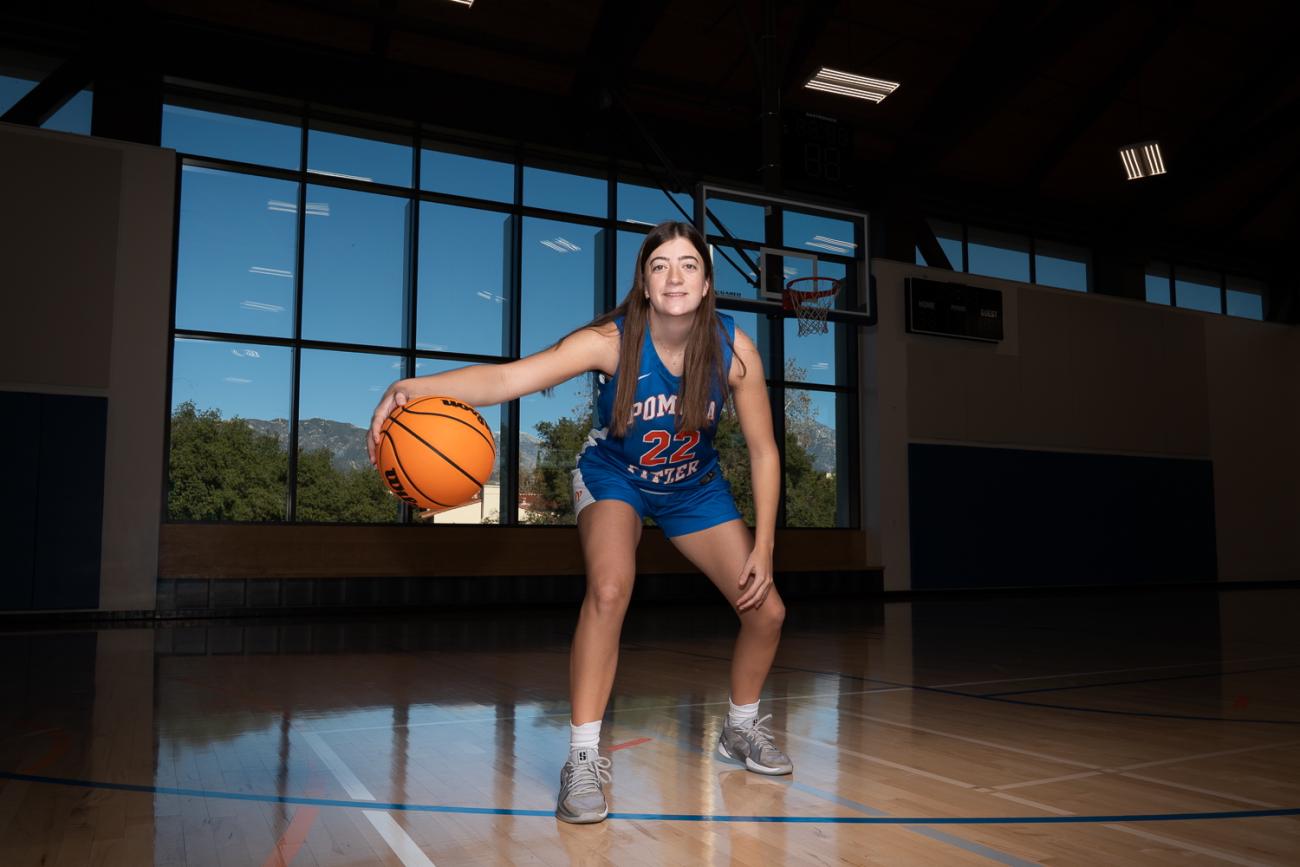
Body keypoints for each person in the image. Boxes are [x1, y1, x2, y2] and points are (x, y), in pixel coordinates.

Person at [368, 220, 790, 825]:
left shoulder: (734, 351)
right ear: (644, 284)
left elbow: (764, 450)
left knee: (768, 611)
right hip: (614, 475)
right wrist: (412, 386)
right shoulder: (611, 341)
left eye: (689, 265)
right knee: (611, 587)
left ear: (706, 283)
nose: (675, 276)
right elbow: (511, 378)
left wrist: (766, 544)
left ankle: (739, 730)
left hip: (693, 487)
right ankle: (583, 758)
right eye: (660, 265)